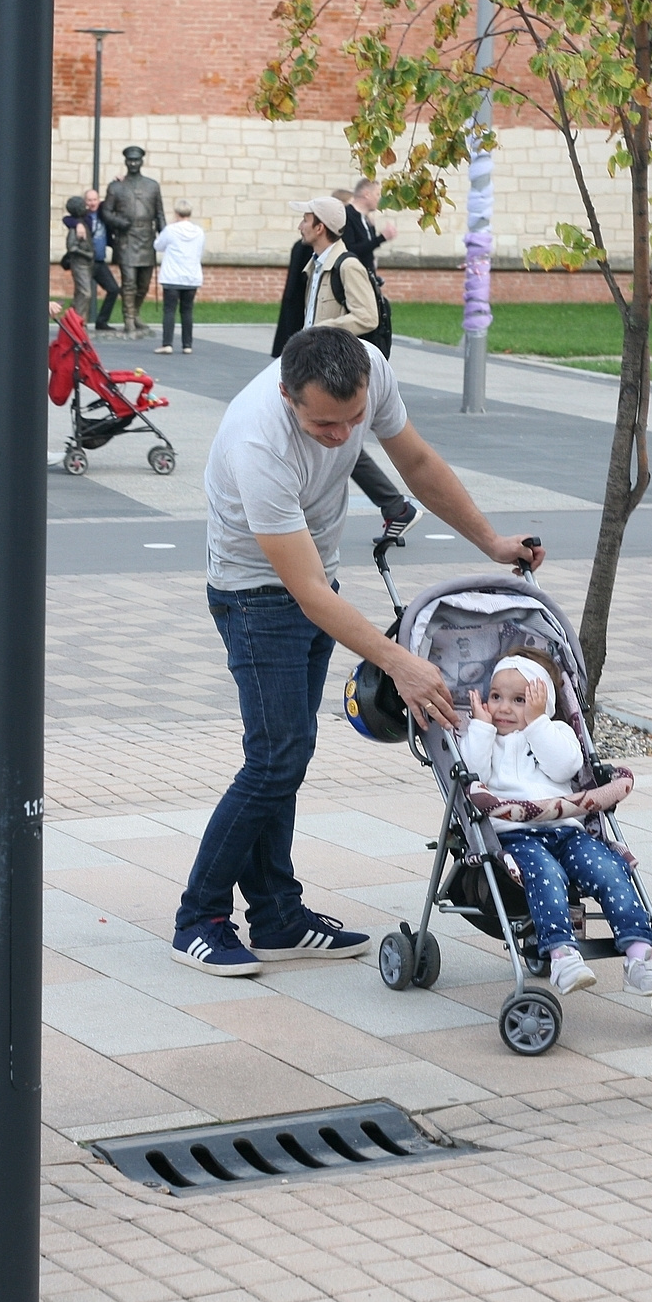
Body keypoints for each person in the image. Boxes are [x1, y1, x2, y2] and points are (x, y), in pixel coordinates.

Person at [174, 324, 544, 976]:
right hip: (256, 597)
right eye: (324, 426)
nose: (342, 437)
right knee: (274, 760)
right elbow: (305, 590)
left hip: (319, 578)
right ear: (289, 396)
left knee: (285, 757)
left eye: (352, 421)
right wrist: (398, 660)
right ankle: (198, 917)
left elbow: (419, 464)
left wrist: (489, 540)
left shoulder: (367, 366)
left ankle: (277, 916)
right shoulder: (256, 440)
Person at [461, 650, 652, 998]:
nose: (502, 708)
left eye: (518, 700)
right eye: (495, 696)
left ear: (542, 702)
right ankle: (562, 953)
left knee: (611, 871)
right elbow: (473, 776)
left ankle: (640, 955)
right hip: (516, 835)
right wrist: (482, 728)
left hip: (566, 829)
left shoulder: (554, 731)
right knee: (547, 875)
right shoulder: (485, 738)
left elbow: (564, 768)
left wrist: (536, 724)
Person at [279, 195, 419, 541]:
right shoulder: (318, 264)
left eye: (305, 219)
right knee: (329, 440)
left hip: (334, 369)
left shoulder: (346, 265)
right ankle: (392, 506)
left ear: (320, 227)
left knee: (335, 440)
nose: (300, 225)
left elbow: (367, 315)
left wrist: (322, 334)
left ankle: (395, 506)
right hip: (314, 365)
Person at [99, 145, 164, 339]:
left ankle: (135, 313)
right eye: (130, 160)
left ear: (142, 162)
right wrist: (120, 223)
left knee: (143, 283)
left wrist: (167, 237)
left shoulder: (152, 185)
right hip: (126, 239)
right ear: (125, 162)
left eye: (136, 160)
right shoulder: (116, 187)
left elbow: (159, 213)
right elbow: (106, 212)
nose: (133, 163)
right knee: (129, 282)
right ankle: (128, 319)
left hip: (147, 238)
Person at [340, 177, 396, 355]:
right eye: (378, 194)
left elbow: (366, 251)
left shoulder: (367, 221)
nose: (380, 198)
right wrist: (381, 238)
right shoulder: (348, 216)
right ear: (366, 193)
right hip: (354, 282)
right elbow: (350, 249)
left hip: (369, 280)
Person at [152, 200, 203, 354]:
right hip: (191, 276)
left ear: (176, 213)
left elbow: (158, 246)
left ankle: (167, 343)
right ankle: (187, 344)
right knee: (187, 311)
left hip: (172, 277)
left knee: (169, 310)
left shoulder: (170, 230)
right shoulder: (199, 232)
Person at [60, 195, 96, 319]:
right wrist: (87, 254)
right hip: (79, 263)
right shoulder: (74, 229)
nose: (86, 207)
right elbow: (72, 247)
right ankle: (77, 321)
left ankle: (74, 320)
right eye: (82, 205)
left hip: (87, 264)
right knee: (86, 293)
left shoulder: (85, 222)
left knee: (79, 294)